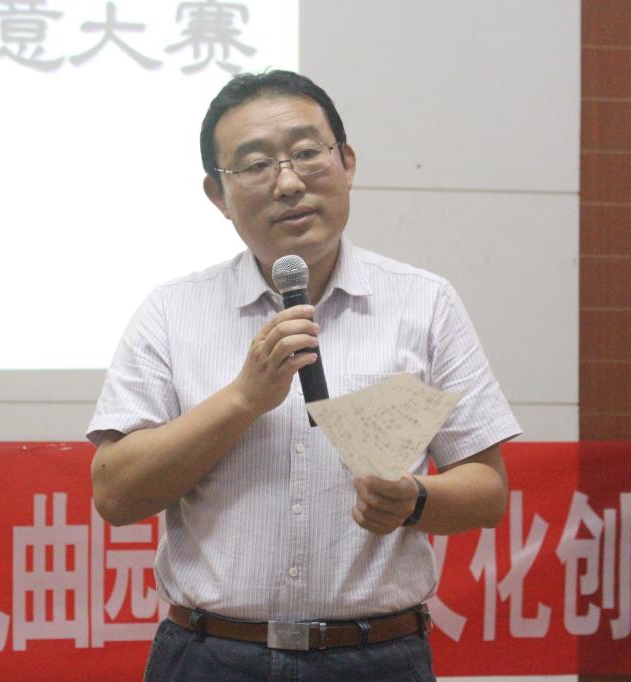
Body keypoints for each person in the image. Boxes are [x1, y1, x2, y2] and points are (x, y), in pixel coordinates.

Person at [87, 70, 521, 681]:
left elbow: (487, 489)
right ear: (218, 195)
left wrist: (415, 501)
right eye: (255, 165)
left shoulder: (424, 304)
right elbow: (115, 495)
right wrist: (243, 399)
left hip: (377, 659)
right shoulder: (172, 311)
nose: (289, 182)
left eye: (307, 153)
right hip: (211, 657)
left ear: (347, 162)